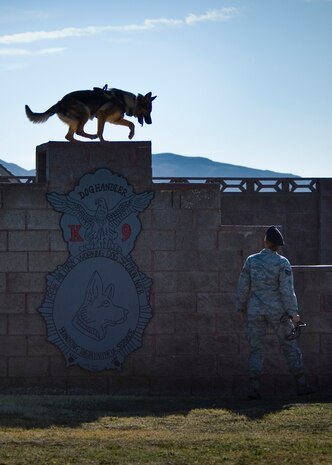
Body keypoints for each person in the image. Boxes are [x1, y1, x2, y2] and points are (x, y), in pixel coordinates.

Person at [236, 226, 313, 399]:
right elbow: (287, 290)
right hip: (278, 311)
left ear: (266, 241)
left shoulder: (251, 260)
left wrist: (240, 307)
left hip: (255, 310)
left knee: (256, 350)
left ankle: (253, 387)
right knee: (289, 346)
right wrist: (293, 312)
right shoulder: (282, 263)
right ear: (278, 245)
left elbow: (243, 286)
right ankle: (301, 385)